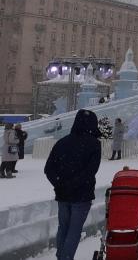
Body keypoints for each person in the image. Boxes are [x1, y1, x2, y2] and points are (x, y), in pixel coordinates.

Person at [44, 109, 101, 260]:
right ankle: (65, 257)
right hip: (82, 195)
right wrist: (73, 184)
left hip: (62, 194)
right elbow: (90, 171)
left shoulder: (62, 142)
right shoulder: (94, 144)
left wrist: (59, 184)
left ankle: (61, 256)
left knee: (63, 228)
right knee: (74, 230)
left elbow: (48, 169)